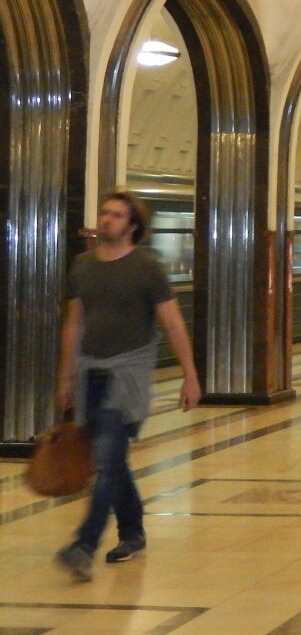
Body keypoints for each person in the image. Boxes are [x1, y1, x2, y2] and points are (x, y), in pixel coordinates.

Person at [55, 190, 203, 583]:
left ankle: (84, 545)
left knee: (106, 462)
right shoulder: (83, 265)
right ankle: (133, 532)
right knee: (113, 461)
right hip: (90, 372)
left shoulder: (147, 268)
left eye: (116, 216)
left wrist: (190, 374)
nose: (106, 221)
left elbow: (172, 323)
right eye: (104, 214)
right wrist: (65, 377)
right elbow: (75, 323)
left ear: (132, 225)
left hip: (127, 375)